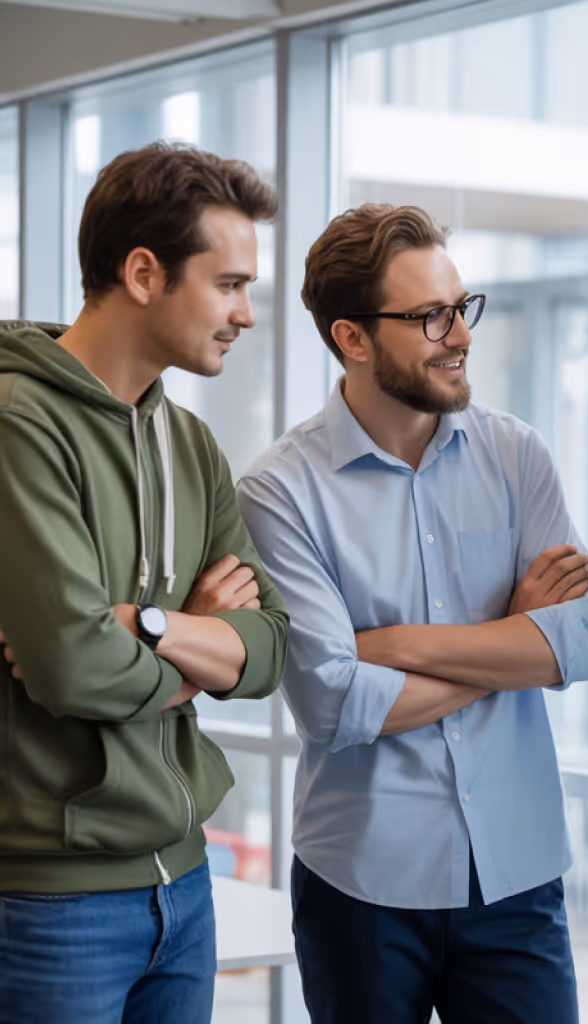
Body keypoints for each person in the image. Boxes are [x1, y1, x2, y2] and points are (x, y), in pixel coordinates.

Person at [236, 203, 588, 1024]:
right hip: (362, 886)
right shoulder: (280, 491)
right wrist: (509, 641)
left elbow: (581, 639)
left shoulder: (517, 455)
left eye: (461, 307)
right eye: (429, 317)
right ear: (353, 338)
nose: (460, 333)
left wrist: (396, 646)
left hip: (516, 878)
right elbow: (333, 700)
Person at [0, 142, 289, 1024]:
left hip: (184, 884)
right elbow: (70, 668)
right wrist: (200, 642)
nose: (246, 313)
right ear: (142, 272)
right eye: (229, 284)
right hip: (51, 902)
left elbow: (271, 646)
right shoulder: (19, 423)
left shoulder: (191, 444)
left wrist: (152, 625)